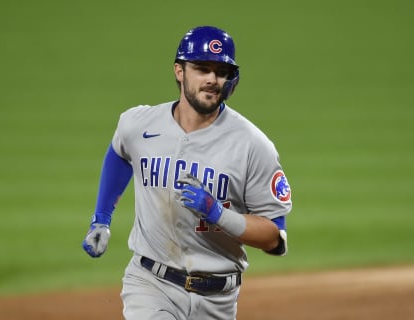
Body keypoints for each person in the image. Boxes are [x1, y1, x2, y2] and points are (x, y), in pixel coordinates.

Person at [82, 25, 293, 320]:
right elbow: (119, 152)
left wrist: (218, 213)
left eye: (220, 71)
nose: (212, 79)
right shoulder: (138, 124)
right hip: (150, 285)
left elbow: (274, 236)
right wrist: (100, 220)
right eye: (202, 68)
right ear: (179, 71)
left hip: (218, 299)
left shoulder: (253, 145)